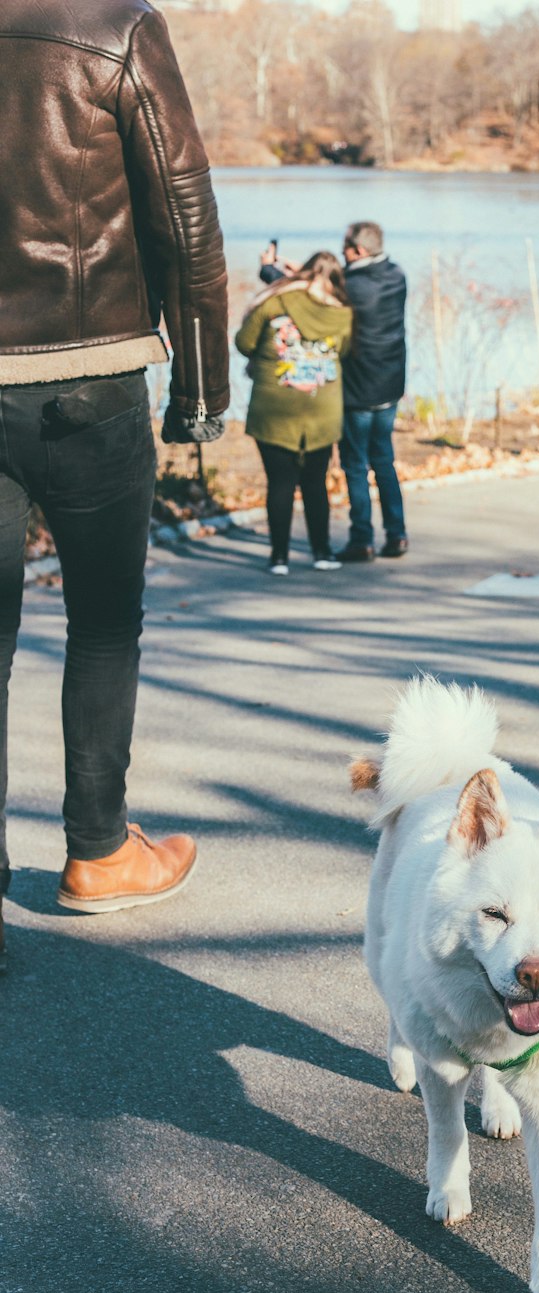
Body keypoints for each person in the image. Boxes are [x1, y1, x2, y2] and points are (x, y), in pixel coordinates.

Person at [0, 0, 230, 953]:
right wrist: (203, 392)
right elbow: (185, 214)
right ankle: (97, 852)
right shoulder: (114, 23)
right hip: (85, 380)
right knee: (100, 624)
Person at [236, 252, 353, 575]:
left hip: (273, 408)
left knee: (280, 484)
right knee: (316, 484)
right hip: (322, 412)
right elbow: (344, 351)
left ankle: (279, 557)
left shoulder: (274, 304)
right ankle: (322, 552)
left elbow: (244, 343)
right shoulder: (343, 315)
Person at [336, 222, 409, 562]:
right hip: (390, 385)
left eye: (345, 248)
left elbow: (319, 298)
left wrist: (273, 273)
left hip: (358, 390)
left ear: (359, 251)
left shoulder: (351, 287)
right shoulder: (396, 275)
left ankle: (361, 539)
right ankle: (397, 535)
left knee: (355, 465)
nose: (342, 252)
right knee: (384, 461)